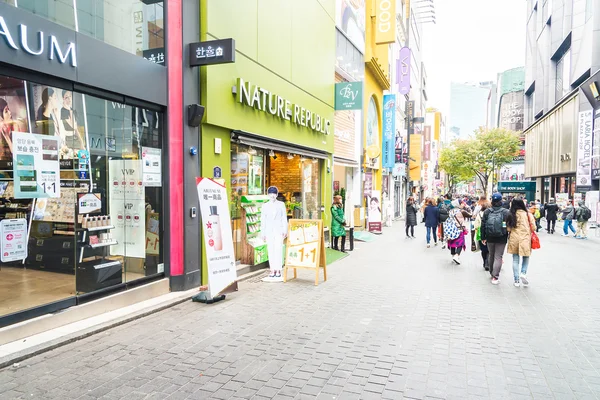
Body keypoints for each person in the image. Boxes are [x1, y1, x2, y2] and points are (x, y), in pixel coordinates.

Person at [481, 193, 510, 285]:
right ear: (501, 201)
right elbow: (509, 225)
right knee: (498, 256)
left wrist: (483, 237)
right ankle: (495, 276)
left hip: (489, 236)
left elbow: (483, 225)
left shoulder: (487, 211)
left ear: (492, 201)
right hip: (502, 237)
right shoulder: (506, 212)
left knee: (491, 255)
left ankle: (491, 272)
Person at [260, 186, 288, 280]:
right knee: (270, 249)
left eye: (274, 193)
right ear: (268, 194)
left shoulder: (281, 204)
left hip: (279, 230)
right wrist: (262, 233)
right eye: (270, 193)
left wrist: (285, 230)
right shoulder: (265, 206)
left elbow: (284, 218)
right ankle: (272, 269)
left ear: (276, 194)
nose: (272, 195)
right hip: (269, 231)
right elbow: (263, 220)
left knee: (278, 249)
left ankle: (278, 269)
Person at [507, 198, 536, 287]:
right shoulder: (528, 214)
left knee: (515, 259)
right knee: (526, 257)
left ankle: (516, 280)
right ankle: (523, 273)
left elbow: (508, 229)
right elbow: (534, 227)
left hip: (514, 239)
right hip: (525, 238)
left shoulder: (510, 214)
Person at [445, 199, 471, 264]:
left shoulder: (451, 211)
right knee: (461, 243)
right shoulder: (462, 212)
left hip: (451, 230)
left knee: (452, 242)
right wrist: (468, 207)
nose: (463, 204)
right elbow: (471, 215)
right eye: (462, 203)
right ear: (458, 204)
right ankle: (456, 256)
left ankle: (453, 255)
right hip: (459, 230)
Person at [473, 197, 491, 270]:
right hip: (490, 233)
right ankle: (488, 261)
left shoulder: (479, 214)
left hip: (480, 234)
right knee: (489, 249)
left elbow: (476, 225)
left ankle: (485, 262)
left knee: (483, 249)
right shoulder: (492, 213)